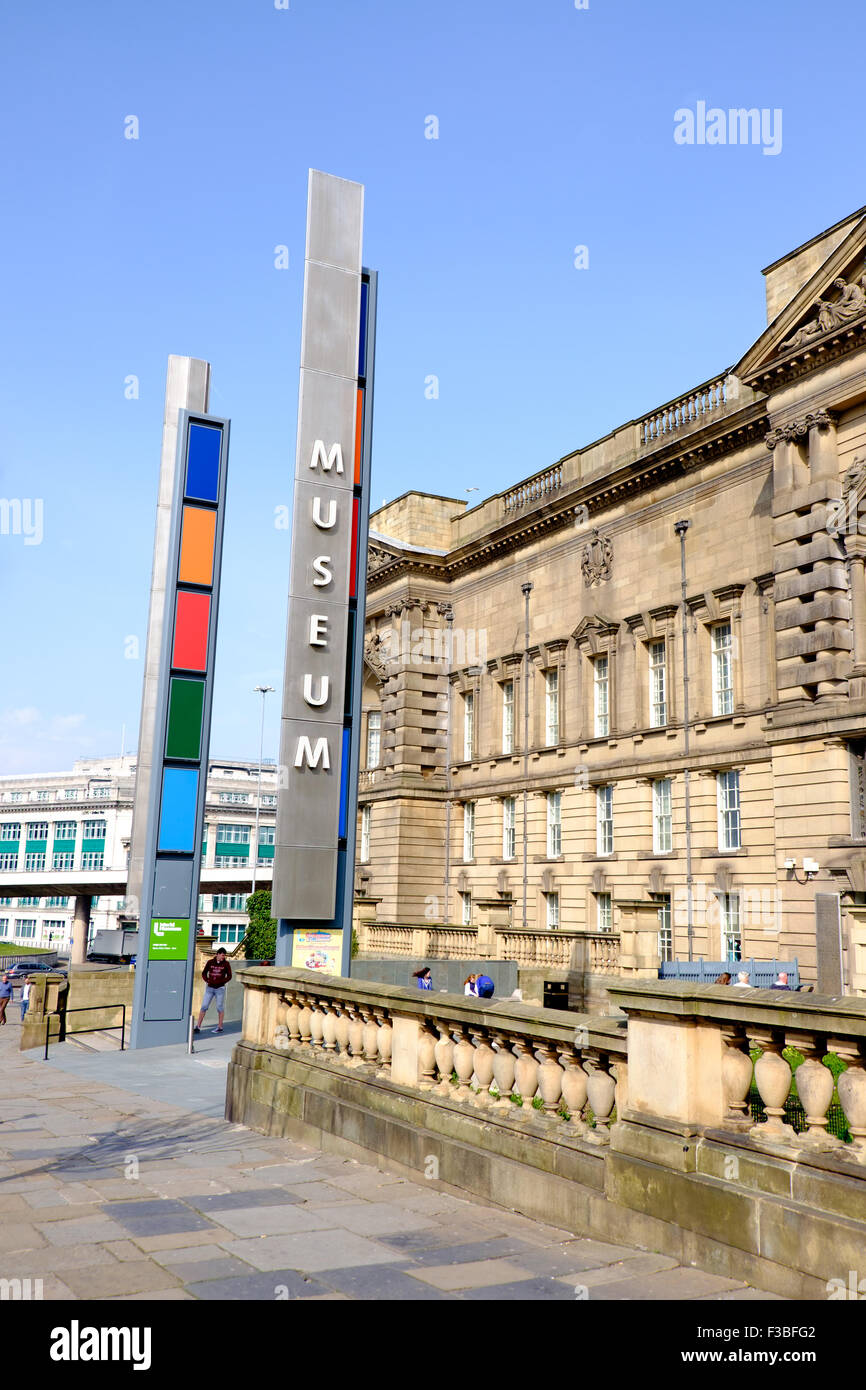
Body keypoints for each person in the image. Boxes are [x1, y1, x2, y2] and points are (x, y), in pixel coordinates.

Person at [194, 947, 232, 1034]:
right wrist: (207, 980)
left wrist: (222, 981)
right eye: (222, 955)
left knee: (219, 1007)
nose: (223, 957)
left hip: (220, 988)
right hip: (210, 987)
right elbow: (204, 973)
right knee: (204, 1006)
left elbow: (229, 976)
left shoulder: (226, 964)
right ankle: (198, 1026)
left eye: (224, 956)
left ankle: (220, 1027)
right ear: (217, 954)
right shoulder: (210, 962)